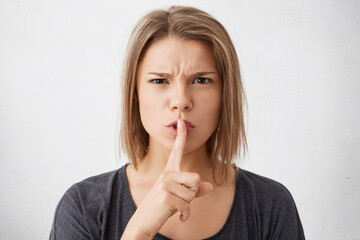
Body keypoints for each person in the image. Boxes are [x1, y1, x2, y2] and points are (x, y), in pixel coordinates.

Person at [50, 6, 305, 240]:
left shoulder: (271, 204)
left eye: (202, 80)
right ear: (135, 92)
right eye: (160, 81)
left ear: (225, 93)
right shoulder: (82, 207)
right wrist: (139, 230)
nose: (181, 101)